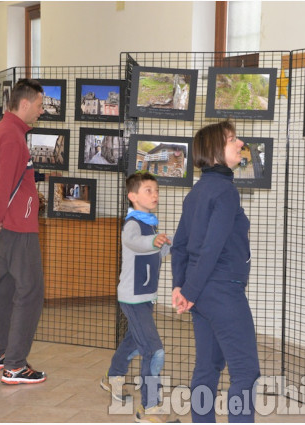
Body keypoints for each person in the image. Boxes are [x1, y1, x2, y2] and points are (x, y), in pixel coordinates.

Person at [171, 120, 260, 423]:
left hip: (202, 293)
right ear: (215, 151)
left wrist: (181, 288)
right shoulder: (225, 191)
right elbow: (211, 247)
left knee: (207, 369)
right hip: (222, 291)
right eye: (233, 139)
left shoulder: (196, 192)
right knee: (245, 372)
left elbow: (180, 246)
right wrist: (188, 292)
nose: (239, 143)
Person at [0, 78, 47, 385]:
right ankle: (15, 365)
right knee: (30, 291)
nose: (42, 112)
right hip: (16, 227)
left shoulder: (1, 131)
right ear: (26, 103)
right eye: (41, 105)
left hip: (5, 223)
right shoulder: (11, 137)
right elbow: (3, 185)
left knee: (5, 289)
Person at [100, 172, 171, 423]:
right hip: (132, 298)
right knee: (154, 350)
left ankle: (113, 376)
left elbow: (152, 253)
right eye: (148, 190)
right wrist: (154, 241)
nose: (155, 195)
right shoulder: (132, 223)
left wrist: (168, 245)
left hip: (145, 296)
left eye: (156, 190)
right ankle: (150, 408)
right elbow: (135, 243)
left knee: (133, 340)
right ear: (132, 196)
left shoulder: (150, 223)